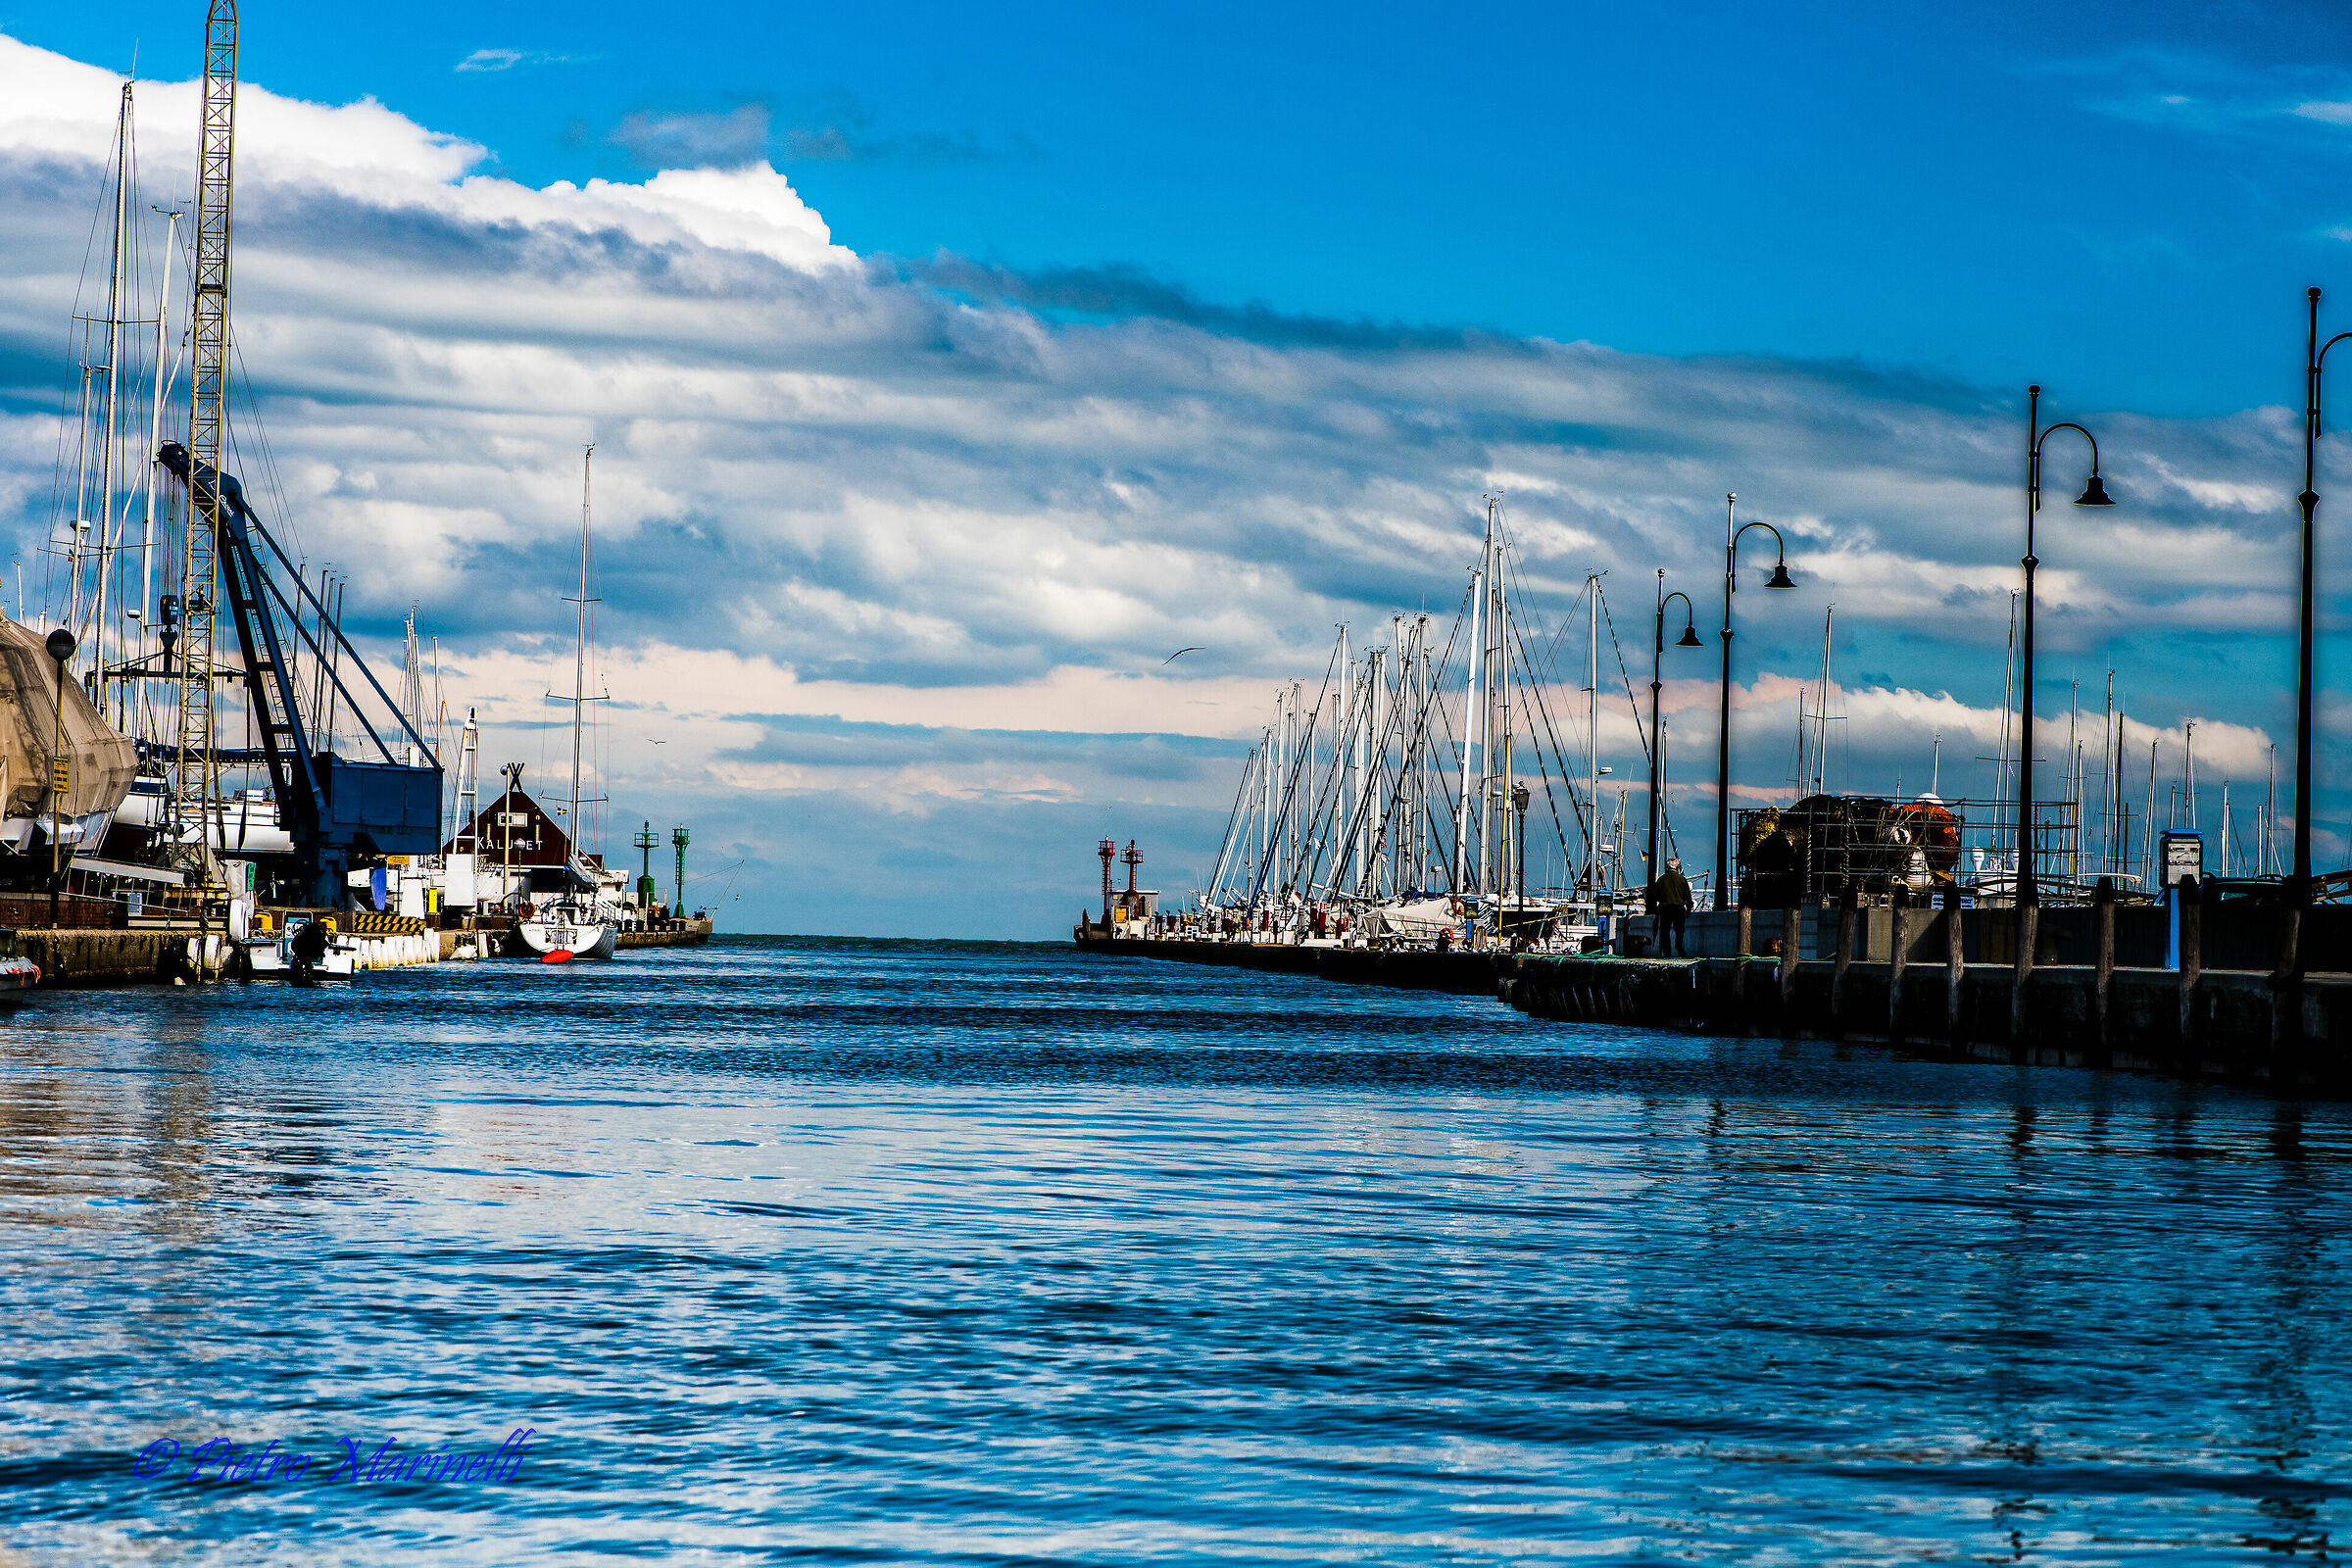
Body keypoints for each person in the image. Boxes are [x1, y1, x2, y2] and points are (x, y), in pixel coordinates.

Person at [1649, 858, 1693, 957]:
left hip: (1665, 908)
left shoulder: (1661, 880)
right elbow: (1688, 897)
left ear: (1667, 867)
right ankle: (1678, 945)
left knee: (1665, 931)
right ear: (1677, 867)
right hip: (1678, 907)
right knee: (1679, 929)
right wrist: (1689, 909)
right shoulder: (1682, 879)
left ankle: (1667, 952)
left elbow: (1655, 897)